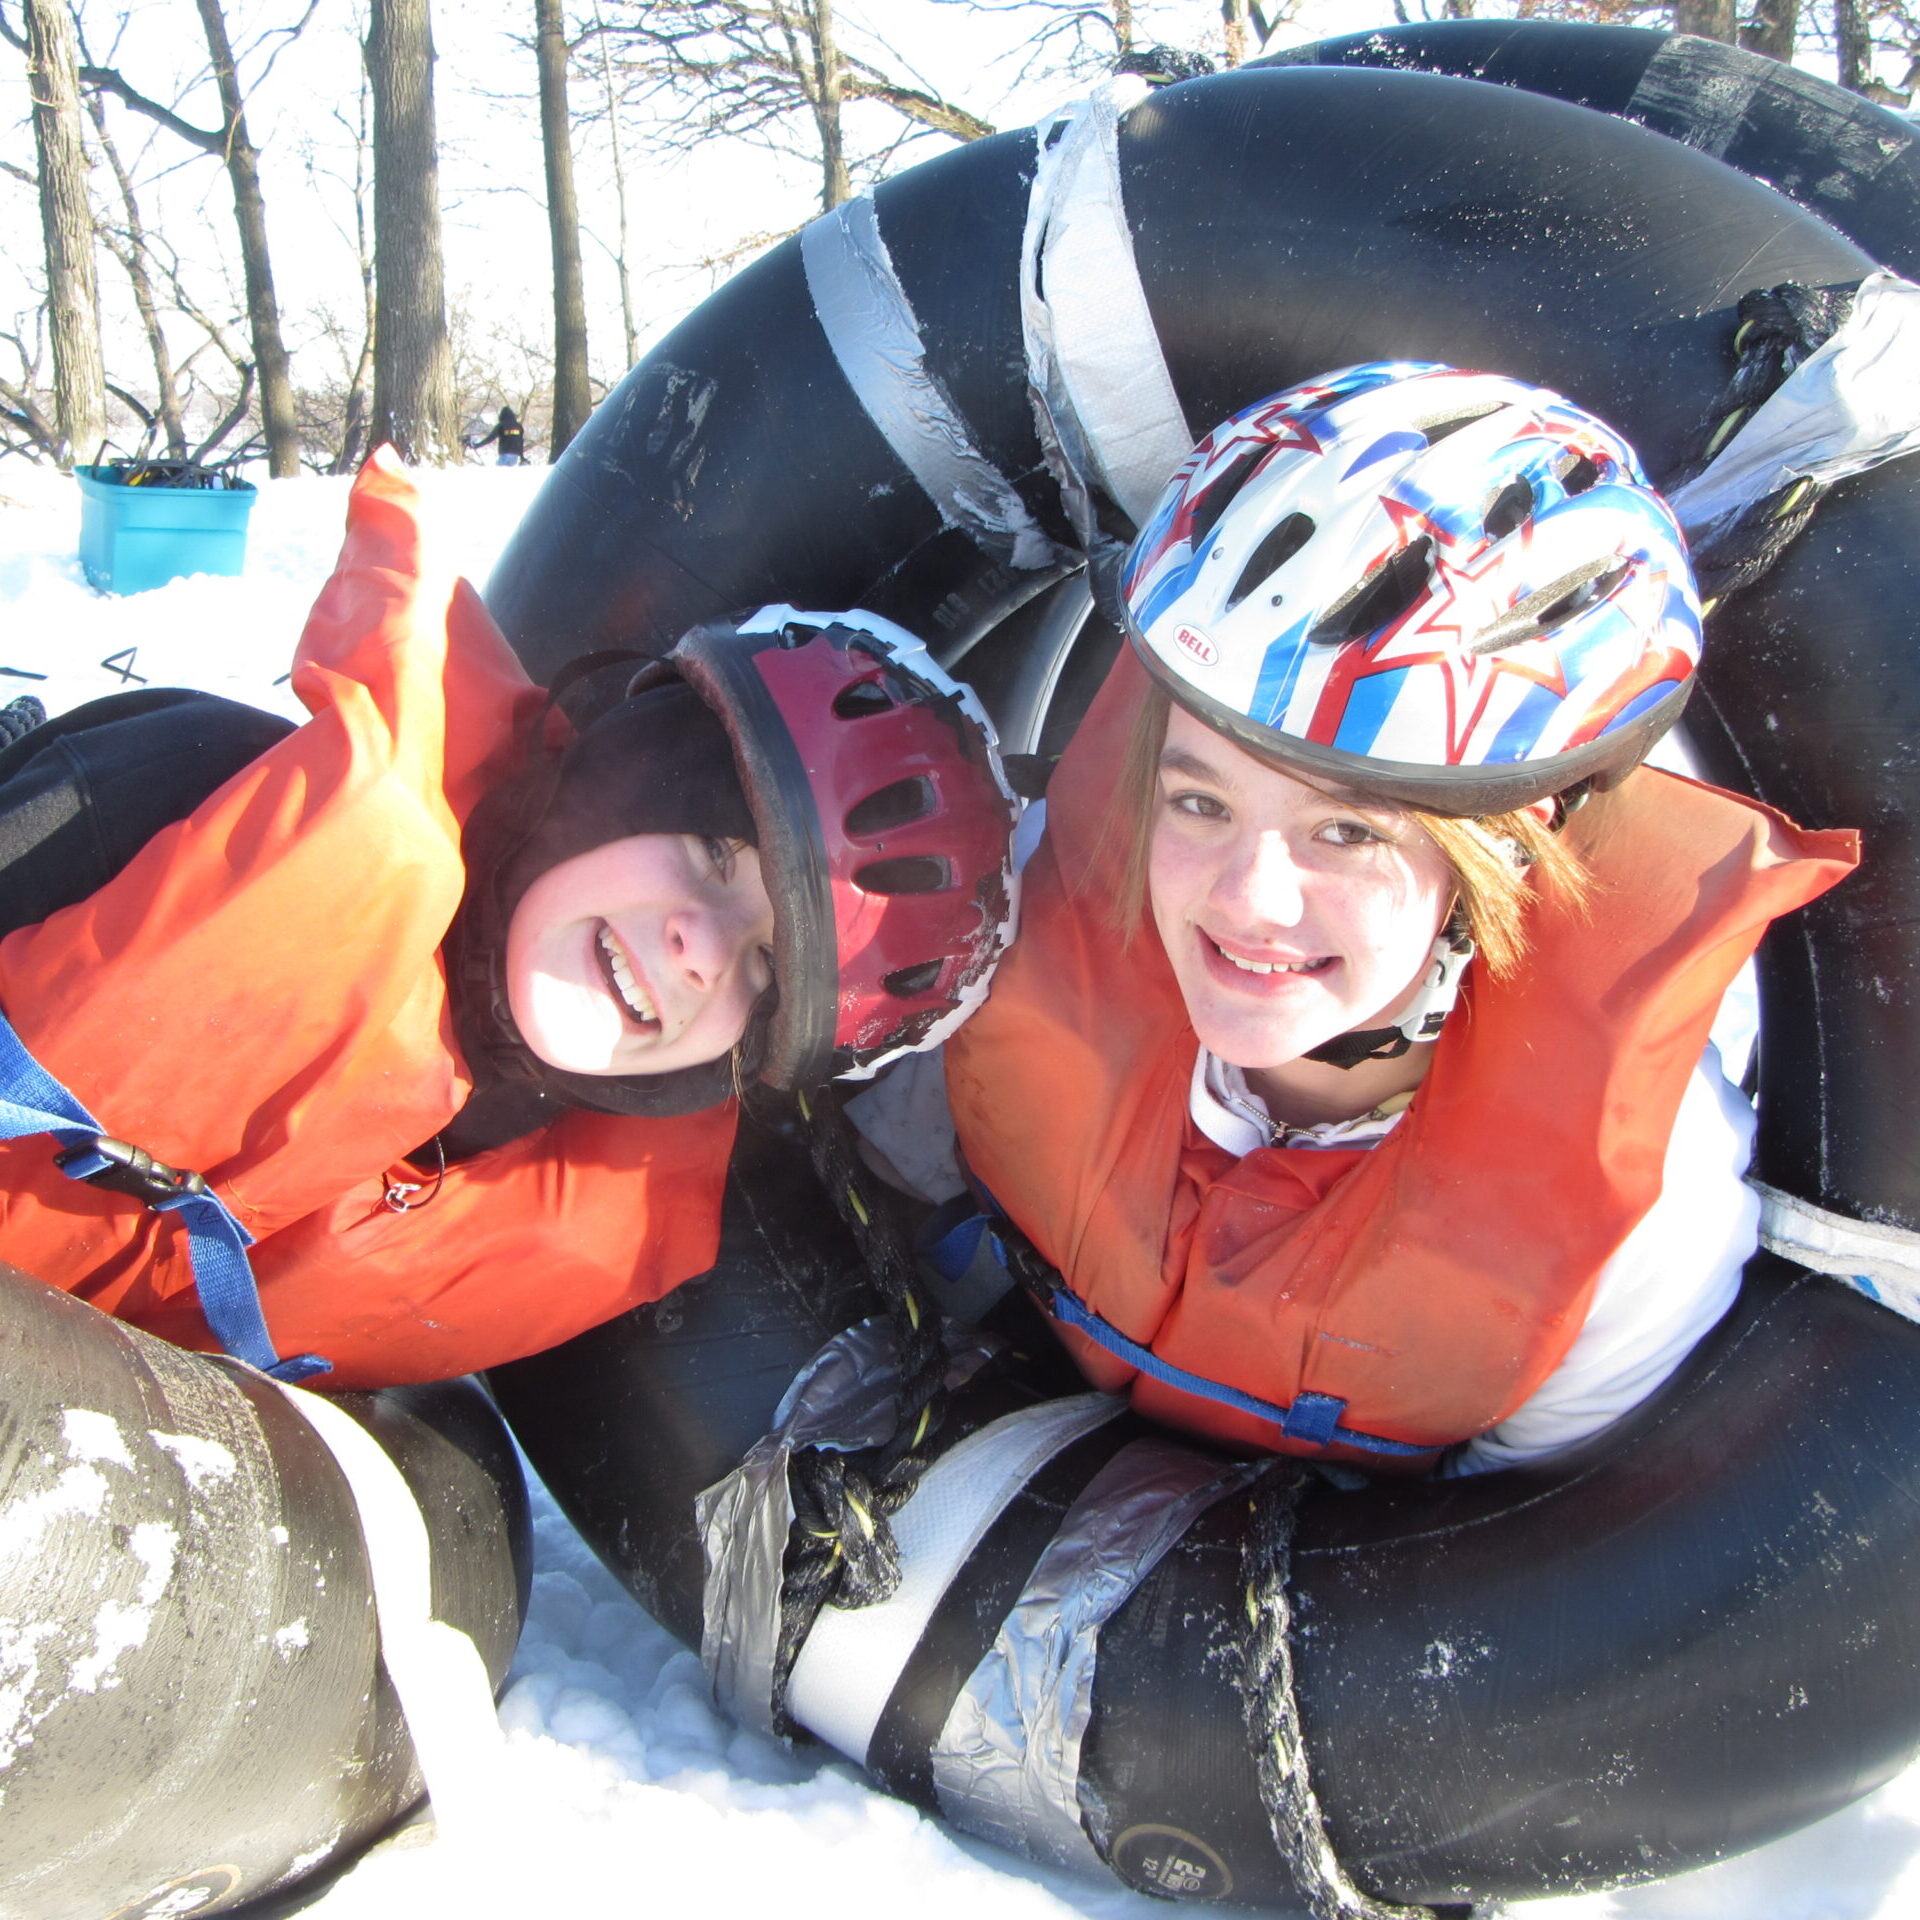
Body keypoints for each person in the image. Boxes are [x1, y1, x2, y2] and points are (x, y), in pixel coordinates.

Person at [939, 363, 1858, 1475]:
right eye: (1199, 801)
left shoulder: (1642, 1224)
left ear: (1497, 860)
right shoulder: (1017, 926)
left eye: (1351, 833)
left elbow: (1541, 1566)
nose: (1246, 900)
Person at [0, 449, 1018, 1390]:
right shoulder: (184, 800)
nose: (701, 949)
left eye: (765, 970)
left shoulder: (574, 1219)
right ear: (625, 763)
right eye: (716, 851)